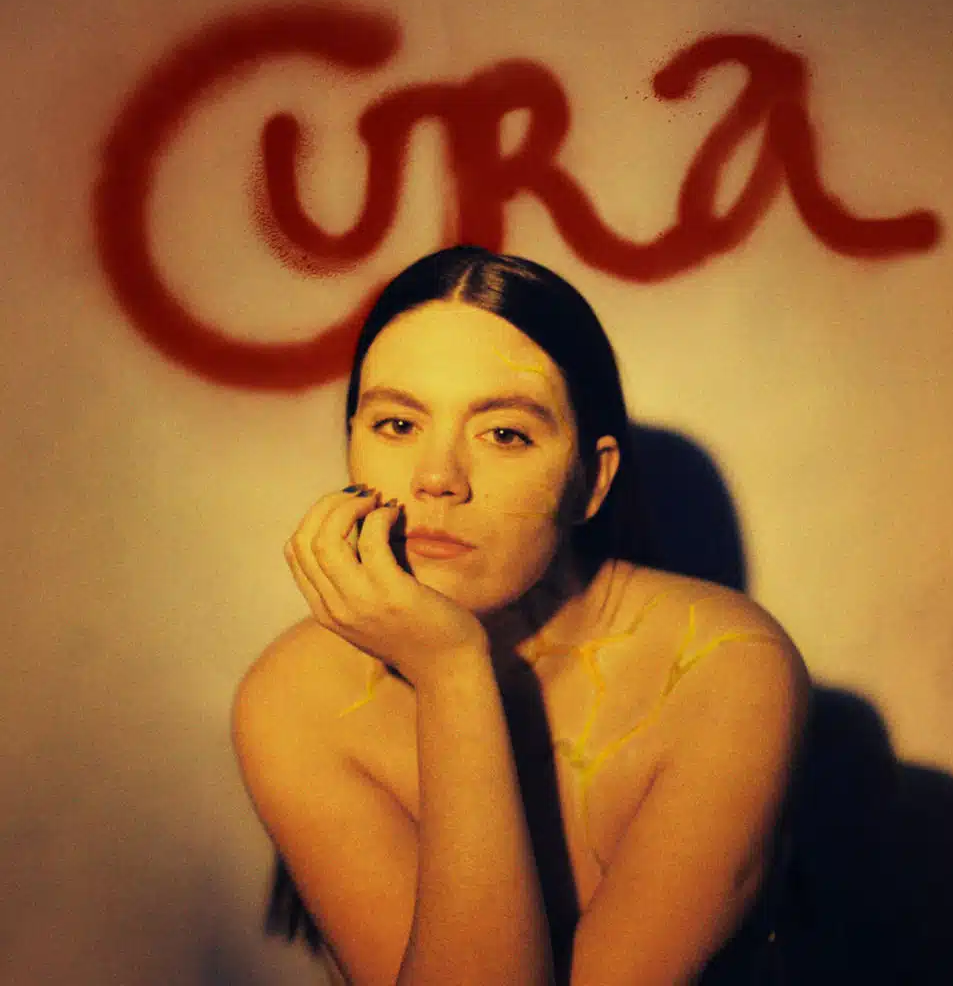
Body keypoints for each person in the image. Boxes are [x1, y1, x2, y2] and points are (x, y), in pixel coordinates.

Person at [232, 245, 809, 985]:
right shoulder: (294, 697)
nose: (437, 478)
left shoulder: (724, 667)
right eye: (397, 425)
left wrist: (449, 670)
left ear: (589, 480)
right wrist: (453, 675)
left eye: (504, 434)